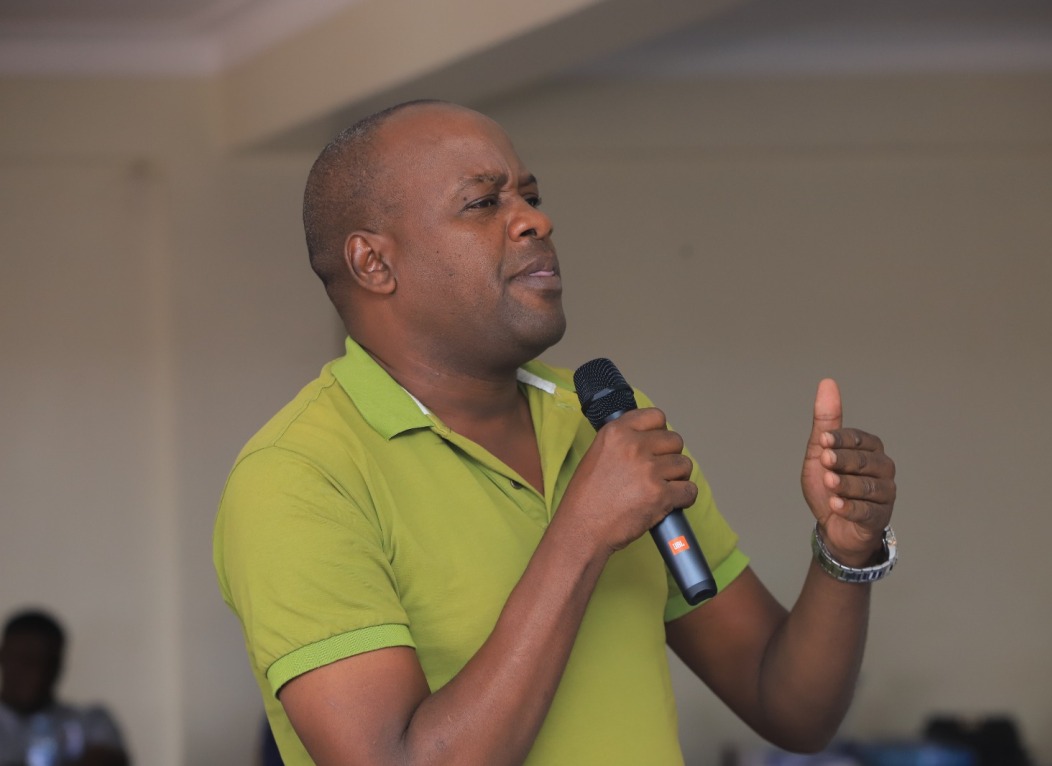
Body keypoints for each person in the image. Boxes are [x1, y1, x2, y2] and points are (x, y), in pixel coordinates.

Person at [213, 99, 898, 766]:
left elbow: (791, 709)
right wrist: (581, 533)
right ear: (374, 263)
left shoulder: (605, 420)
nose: (535, 220)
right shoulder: (298, 477)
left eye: (531, 196)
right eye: (484, 203)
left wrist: (845, 555)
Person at [0, 609, 130, 766]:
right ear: (3, 655)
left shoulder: (90, 721)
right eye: (26, 660)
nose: (37, 673)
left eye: (48, 662)